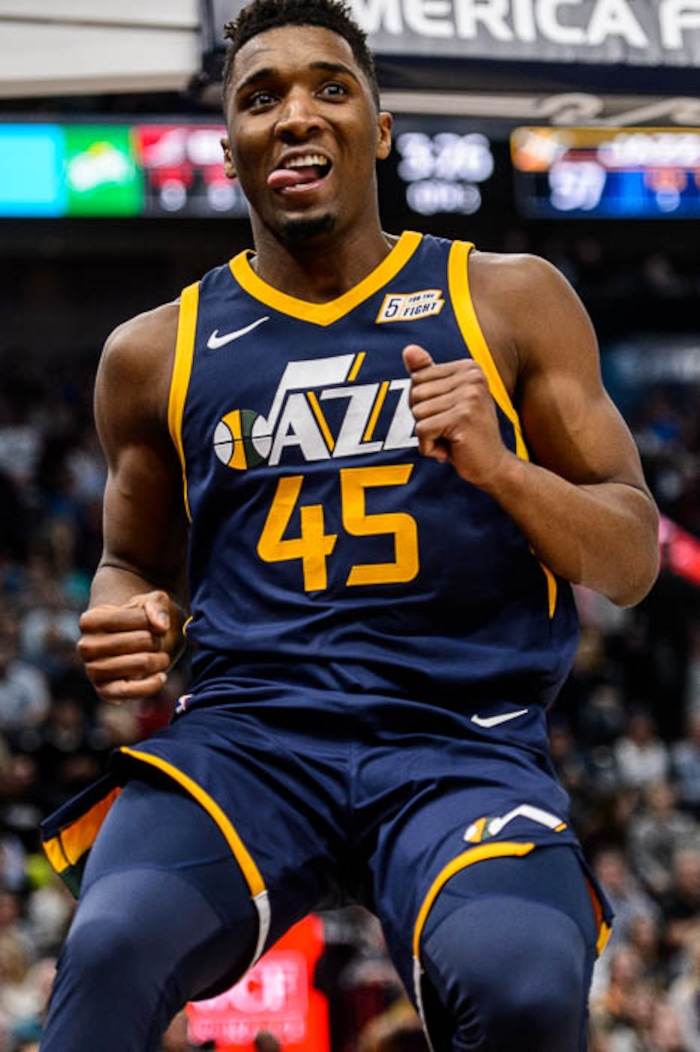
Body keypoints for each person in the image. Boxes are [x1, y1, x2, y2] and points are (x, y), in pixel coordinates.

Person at [37, 1, 660, 1050]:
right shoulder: (153, 352)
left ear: (378, 128)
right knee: (109, 947)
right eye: (260, 96)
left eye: (331, 88)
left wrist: (502, 470)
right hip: (248, 740)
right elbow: (130, 558)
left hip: (458, 741)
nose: (296, 115)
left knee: (522, 985)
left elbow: (634, 554)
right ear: (226, 146)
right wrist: (123, 611)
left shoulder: (505, 299)